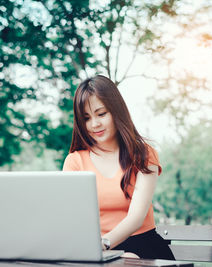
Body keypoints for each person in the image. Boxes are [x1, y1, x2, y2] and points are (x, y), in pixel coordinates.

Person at [62, 75, 175, 260]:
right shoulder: (75, 161)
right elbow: (71, 216)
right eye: (86, 118)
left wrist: (103, 244)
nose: (94, 124)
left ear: (116, 111)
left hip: (141, 247)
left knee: (128, 258)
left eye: (101, 114)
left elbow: (136, 218)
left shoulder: (145, 154)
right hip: (96, 251)